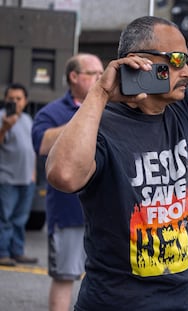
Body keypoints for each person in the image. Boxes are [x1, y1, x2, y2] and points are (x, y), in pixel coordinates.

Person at [43, 1, 188, 310]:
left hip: (183, 300)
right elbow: (63, 175)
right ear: (138, 62)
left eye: (187, 59)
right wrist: (100, 93)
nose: (187, 71)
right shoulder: (101, 123)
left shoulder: (183, 106)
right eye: (176, 60)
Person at [31, 53, 104, 311]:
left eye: (101, 73)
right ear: (74, 77)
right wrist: (87, 114)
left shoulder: (112, 107)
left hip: (106, 213)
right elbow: (41, 143)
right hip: (69, 213)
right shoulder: (52, 112)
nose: (100, 78)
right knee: (64, 278)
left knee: (105, 282)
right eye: (93, 73)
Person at [0, 83, 37, 266]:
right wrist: (5, 127)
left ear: (25, 101)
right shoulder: (2, 118)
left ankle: (17, 251)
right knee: (5, 218)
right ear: (5, 100)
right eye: (11, 99)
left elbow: (31, 149)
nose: (14, 102)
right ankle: (3, 253)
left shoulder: (27, 119)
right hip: (6, 178)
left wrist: (33, 174)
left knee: (20, 219)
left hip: (26, 179)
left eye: (18, 98)